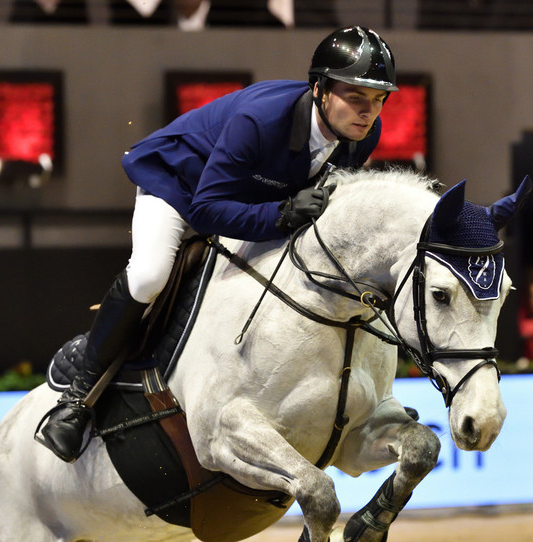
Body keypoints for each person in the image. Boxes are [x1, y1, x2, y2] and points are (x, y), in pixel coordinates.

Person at [37, 25, 399, 463]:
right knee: (151, 274)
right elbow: (206, 208)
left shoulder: (363, 136)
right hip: (179, 187)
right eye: (355, 97)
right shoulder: (261, 119)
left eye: (378, 100)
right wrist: (282, 215)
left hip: (247, 198)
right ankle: (76, 402)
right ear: (319, 89)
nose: (368, 112)